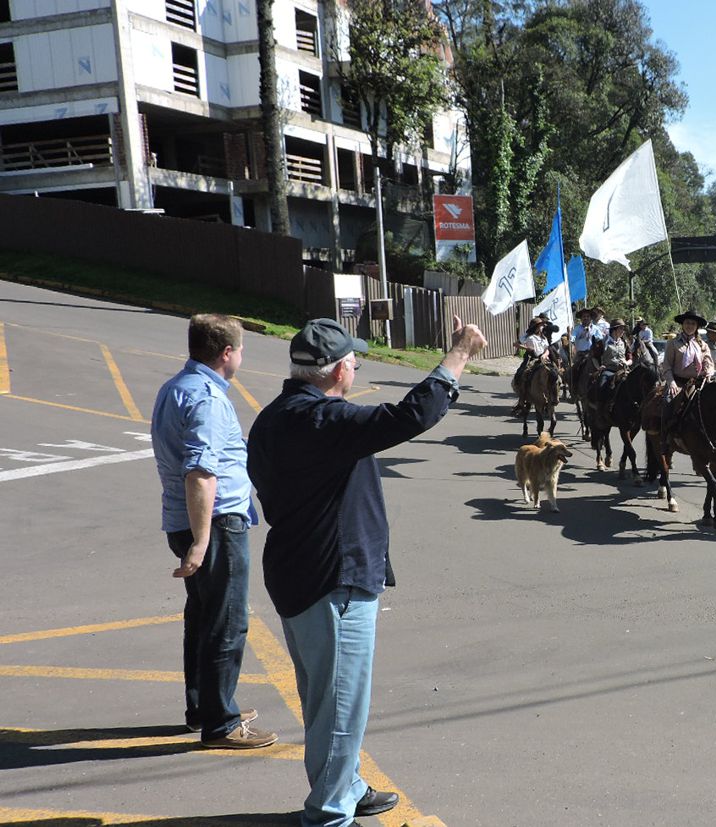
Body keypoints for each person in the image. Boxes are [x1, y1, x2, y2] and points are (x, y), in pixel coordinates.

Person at [247, 316, 486, 826]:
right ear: (335, 371)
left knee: (324, 698)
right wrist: (458, 356)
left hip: (298, 572)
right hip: (334, 580)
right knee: (340, 710)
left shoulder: (275, 417)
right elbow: (410, 415)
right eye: (352, 358)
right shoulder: (325, 422)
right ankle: (331, 814)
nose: (357, 363)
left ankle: (347, 788)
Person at [151, 314, 277, 749]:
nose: (243, 355)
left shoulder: (175, 388)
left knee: (203, 616)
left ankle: (201, 707)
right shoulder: (207, 399)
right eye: (241, 348)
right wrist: (203, 543)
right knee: (227, 622)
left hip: (183, 519)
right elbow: (201, 473)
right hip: (215, 524)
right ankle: (221, 723)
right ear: (226, 353)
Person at [659, 309, 714, 437]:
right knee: (668, 401)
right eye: (687, 323)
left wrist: (708, 372)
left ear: (697, 327)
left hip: (698, 382)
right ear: (682, 324)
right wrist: (671, 383)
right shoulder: (673, 343)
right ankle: (665, 437)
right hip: (678, 382)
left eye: (693, 324)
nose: (690, 326)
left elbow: (709, 363)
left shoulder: (702, 345)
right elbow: (666, 366)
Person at [593, 318, 630, 407]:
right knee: (601, 385)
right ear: (614, 330)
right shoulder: (603, 342)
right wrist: (599, 367)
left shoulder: (624, 342)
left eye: (623, 329)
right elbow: (594, 357)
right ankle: (600, 409)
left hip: (624, 370)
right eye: (621, 329)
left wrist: (626, 362)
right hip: (609, 370)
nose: (623, 331)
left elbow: (630, 358)